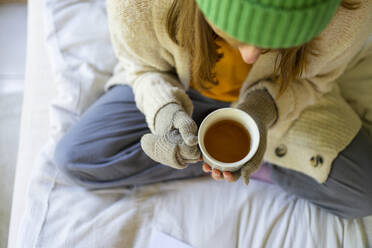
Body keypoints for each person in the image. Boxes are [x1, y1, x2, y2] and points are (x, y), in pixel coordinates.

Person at [54, 0, 372, 218]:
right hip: (177, 82)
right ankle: (214, 151)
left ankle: (252, 157)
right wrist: (164, 111)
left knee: (365, 191)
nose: (249, 56)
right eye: (238, 36)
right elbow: (141, 67)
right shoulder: (141, 4)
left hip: (279, 92)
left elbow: (313, 81)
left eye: (273, 43)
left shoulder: (350, 12)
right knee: (76, 159)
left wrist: (261, 111)